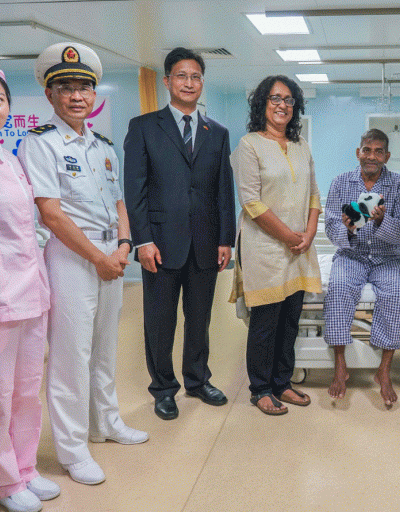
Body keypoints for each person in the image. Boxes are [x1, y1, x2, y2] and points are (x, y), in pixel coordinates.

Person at [18, 42, 148, 486]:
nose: (77, 96)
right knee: (71, 356)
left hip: (112, 253)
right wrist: (99, 258)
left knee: (104, 349)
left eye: (84, 88)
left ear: (94, 96)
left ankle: (106, 424)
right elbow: (50, 212)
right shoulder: (41, 144)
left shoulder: (105, 146)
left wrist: (124, 247)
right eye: (66, 88)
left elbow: (118, 201)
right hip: (72, 257)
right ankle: (73, 451)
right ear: (51, 96)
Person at [124, 48, 236, 421]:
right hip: (159, 242)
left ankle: (198, 379)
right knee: (160, 319)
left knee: (199, 318)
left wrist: (226, 239)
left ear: (202, 83)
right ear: (167, 81)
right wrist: (142, 240)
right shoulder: (144, 127)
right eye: (181, 76)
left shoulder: (216, 133)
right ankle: (163, 388)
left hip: (205, 243)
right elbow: (134, 189)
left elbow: (224, 191)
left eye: (196, 77)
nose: (189, 83)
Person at [0, 65, 60, 512]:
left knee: (28, 387)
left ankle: (26, 468)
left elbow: (28, 225)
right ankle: (3, 483)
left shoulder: (8, 160)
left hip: (30, 290)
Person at [229, 75, 322, 416]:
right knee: (265, 323)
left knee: (290, 321)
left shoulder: (302, 147)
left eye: (288, 99)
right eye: (274, 98)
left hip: (299, 249)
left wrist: (309, 234)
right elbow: (251, 203)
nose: (282, 105)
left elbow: (313, 194)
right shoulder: (249, 146)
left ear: (294, 107)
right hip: (265, 250)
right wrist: (289, 236)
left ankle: (283, 382)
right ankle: (261, 388)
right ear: (262, 104)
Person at [323, 129, 400, 407]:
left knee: (397, 293)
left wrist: (382, 222)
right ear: (358, 153)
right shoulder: (340, 182)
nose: (371, 156)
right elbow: (330, 225)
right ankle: (340, 364)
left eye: (377, 151)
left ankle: (383, 371)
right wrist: (347, 230)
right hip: (352, 254)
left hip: (388, 257)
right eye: (366, 150)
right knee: (338, 288)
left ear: (386, 156)